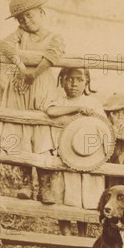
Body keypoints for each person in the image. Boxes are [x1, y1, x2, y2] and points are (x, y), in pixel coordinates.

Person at [0, 0, 64, 201]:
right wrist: (22, 68)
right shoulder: (20, 34)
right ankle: (25, 182)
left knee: (42, 132)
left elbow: (53, 55)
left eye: (30, 16)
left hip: (41, 87)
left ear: (41, 13)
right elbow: (6, 45)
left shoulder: (54, 37)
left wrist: (32, 75)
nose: (27, 21)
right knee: (21, 132)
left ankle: (44, 186)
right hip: (21, 88)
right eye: (22, 19)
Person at [45, 67, 106, 236]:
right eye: (69, 79)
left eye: (79, 80)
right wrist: (77, 108)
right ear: (62, 80)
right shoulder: (61, 101)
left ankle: (82, 234)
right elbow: (51, 111)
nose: (74, 84)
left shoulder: (93, 103)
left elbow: (103, 125)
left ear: (87, 82)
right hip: (64, 153)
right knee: (63, 191)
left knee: (84, 193)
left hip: (86, 154)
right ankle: (65, 232)